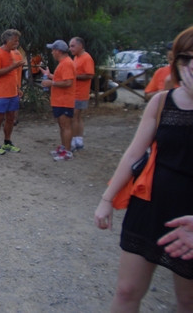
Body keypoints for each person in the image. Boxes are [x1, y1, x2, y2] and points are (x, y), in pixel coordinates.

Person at [94, 26, 193, 311]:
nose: (191, 66)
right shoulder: (162, 102)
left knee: (187, 300)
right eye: (186, 58)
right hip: (148, 206)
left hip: (188, 215)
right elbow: (133, 154)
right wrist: (107, 199)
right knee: (126, 291)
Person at [0, 29, 24, 155]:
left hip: (13, 92)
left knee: (11, 118)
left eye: (17, 41)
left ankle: (7, 142)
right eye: (14, 41)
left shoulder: (14, 53)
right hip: (0, 93)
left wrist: (18, 88)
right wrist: (14, 66)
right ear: (6, 40)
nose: (17, 43)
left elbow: (15, 74)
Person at [41, 40, 76, 161]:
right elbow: (62, 78)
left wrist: (51, 83)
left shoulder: (66, 63)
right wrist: (49, 75)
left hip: (65, 100)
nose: (52, 53)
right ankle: (63, 147)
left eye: (53, 50)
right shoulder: (63, 63)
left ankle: (67, 151)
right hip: (60, 100)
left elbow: (68, 82)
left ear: (58, 51)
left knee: (66, 126)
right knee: (62, 126)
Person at [69, 37, 95, 151]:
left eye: (73, 46)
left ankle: (74, 141)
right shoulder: (76, 57)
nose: (70, 49)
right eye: (70, 46)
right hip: (76, 91)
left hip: (80, 93)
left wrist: (74, 77)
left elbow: (90, 74)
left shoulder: (86, 58)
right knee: (77, 117)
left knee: (74, 117)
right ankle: (79, 140)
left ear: (80, 46)